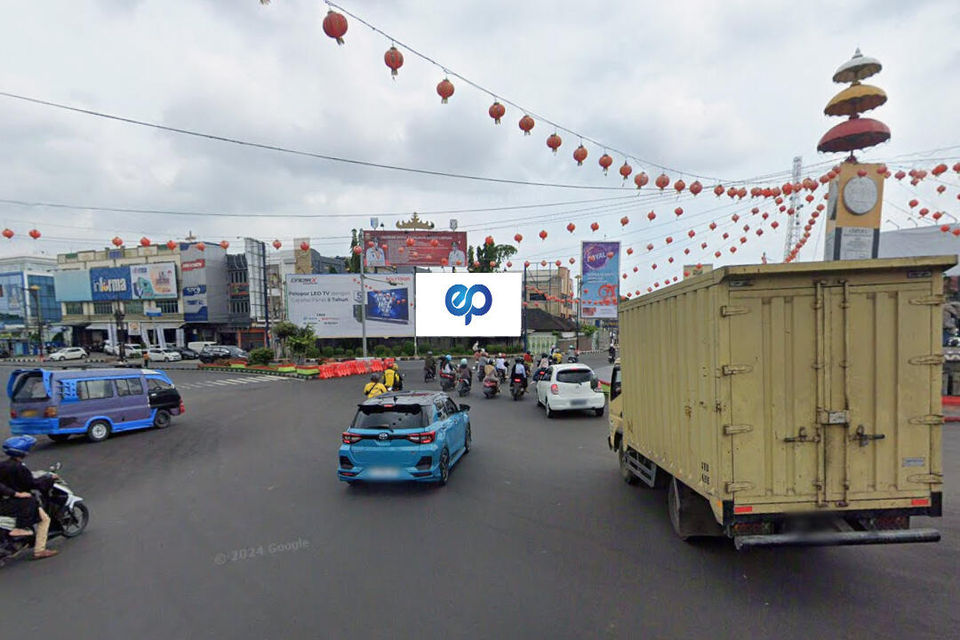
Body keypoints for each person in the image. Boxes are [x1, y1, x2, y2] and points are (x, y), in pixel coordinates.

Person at [0, 436, 59, 560]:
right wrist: (49, 479)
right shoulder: (20, 468)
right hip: (17, 503)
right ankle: (40, 550)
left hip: (4, 501)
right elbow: (33, 484)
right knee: (44, 519)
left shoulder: (3, 465)